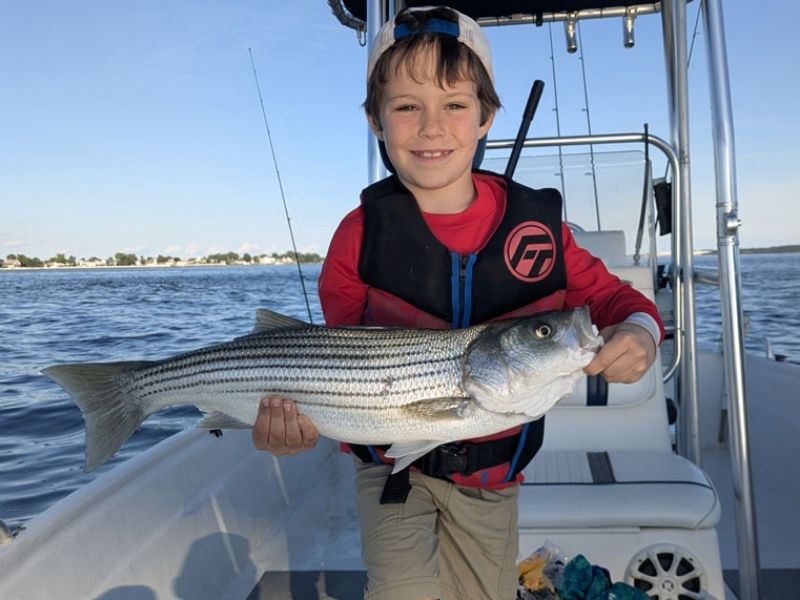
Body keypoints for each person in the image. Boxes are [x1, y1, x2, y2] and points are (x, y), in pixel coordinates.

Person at [252, 6, 664, 600]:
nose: (431, 127)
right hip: (392, 471)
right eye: (405, 107)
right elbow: (339, 361)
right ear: (376, 120)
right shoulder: (359, 235)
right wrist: (292, 422)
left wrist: (641, 332)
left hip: (493, 477)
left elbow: (616, 299)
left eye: (454, 105)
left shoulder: (539, 229)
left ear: (485, 116)